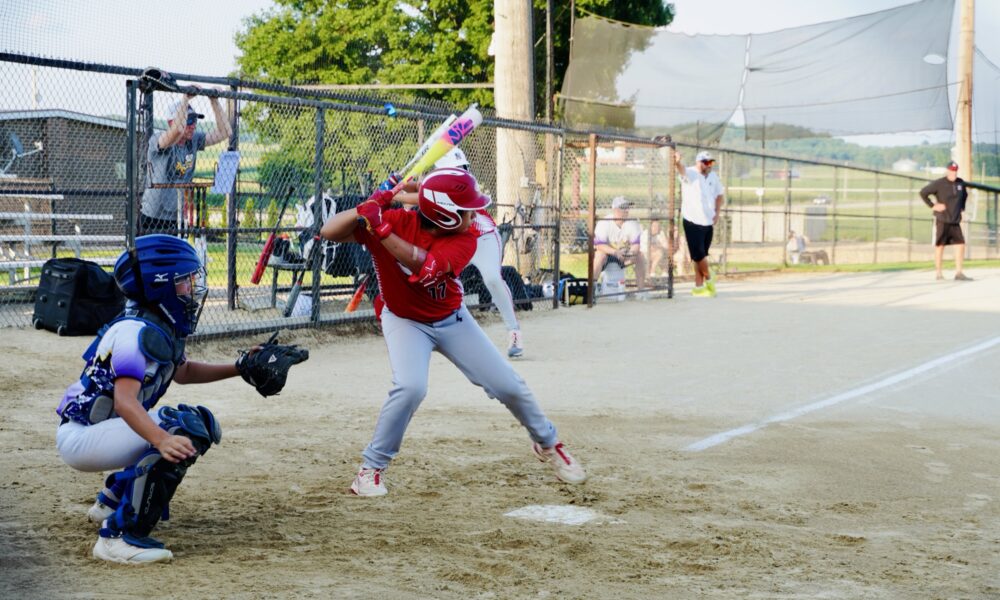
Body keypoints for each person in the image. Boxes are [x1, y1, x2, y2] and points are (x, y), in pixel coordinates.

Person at [320, 167, 586, 497]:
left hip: (451, 319)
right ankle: (369, 470)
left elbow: (425, 266)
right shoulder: (396, 220)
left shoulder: (465, 237)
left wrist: (381, 227)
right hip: (404, 320)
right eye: (466, 210)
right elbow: (329, 232)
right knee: (410, 387)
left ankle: (548, 442)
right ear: (445, 216)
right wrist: (367, 207)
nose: (474, 215)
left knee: (508, 385)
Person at [56, 235, 244, 564]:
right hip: (82, 438)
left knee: (194, 420)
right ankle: (117, 537)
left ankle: (111, 502)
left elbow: (184, 372)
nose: (193, 287)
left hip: (98, 431)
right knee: (183, 427)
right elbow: (125, 402)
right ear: (160, 286)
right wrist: (161, 439)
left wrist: (241, 368)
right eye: (185, 280)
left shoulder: (155, 323)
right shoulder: (133, 332)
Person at [397, 148, 525, 358]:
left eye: (462, 168)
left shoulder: (464, 186)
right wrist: (399, 183)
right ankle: (430, 328)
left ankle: (514, 331)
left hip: (483, 238)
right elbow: (420, 188)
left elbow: (422, 198)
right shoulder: (435, 182)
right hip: (455, 240)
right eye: (455, 168)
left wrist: (395, 193)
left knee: (492, 279)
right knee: (438, 278)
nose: (461, 172)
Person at [140, 90, 231, 234]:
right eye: (189, 121)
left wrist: (214, 101)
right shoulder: (158, 139)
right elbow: (177, 131)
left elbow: (225, 132)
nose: (193, 125)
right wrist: (185, 99)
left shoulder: (193, 140)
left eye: (195, 121)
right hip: (153, 216)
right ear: (171, 122)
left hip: (177, 216)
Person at [674, 150, 725, 297]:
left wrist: (717, 212)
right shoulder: (691, 173)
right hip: (692, 221)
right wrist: (677, 162)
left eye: (711, 162)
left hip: (708, 222)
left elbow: (719, 195)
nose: (709, 165)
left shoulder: (713, 176)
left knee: (699, 257)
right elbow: (682, 170)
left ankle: (699, 287)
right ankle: (709, 277)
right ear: (698, 162)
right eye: (706, 162)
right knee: (699, 255)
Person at [920, 160, 972, 281]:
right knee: (940, 245)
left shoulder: (960, 183)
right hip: (942, 220)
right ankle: (939, 273)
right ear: (947, 171)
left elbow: (964, 196)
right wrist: (933, 205)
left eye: (955, 171)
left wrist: (962, 209)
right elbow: (923, 193)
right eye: (952, 170)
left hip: (955, 221)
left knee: (960, 244)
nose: (954, 173)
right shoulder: (939, 183)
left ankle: (959, 273)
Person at [593, 196, 646, 293]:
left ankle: (641, 291)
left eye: (627, 207)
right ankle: (592, 288)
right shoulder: (604, 222)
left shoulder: (632, 223)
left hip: (624, 256)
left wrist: (628, 253)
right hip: (608, 255)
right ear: (615, 210)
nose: (627, 210)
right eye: (623, 208)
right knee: (599, 255)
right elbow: (599, 245)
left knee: (640, 256)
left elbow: (636, 246)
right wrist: (615, 252)